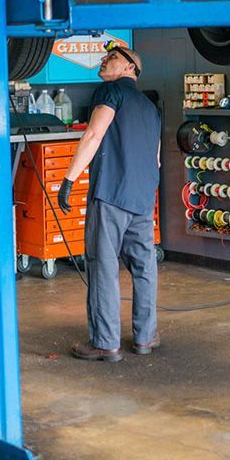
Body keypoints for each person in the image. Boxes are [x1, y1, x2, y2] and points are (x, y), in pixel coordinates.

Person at [57, 42, 161, 362]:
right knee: (144, 268)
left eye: (113, 57)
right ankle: (145, 337)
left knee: (103, 266)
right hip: (143, 198)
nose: (104, 61)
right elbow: (155, 159)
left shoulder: (110, 92)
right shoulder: (150, 107)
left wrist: (69, 180)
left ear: (131, 68)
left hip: (112, 195)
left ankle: (105, 342)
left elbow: (93, 135)